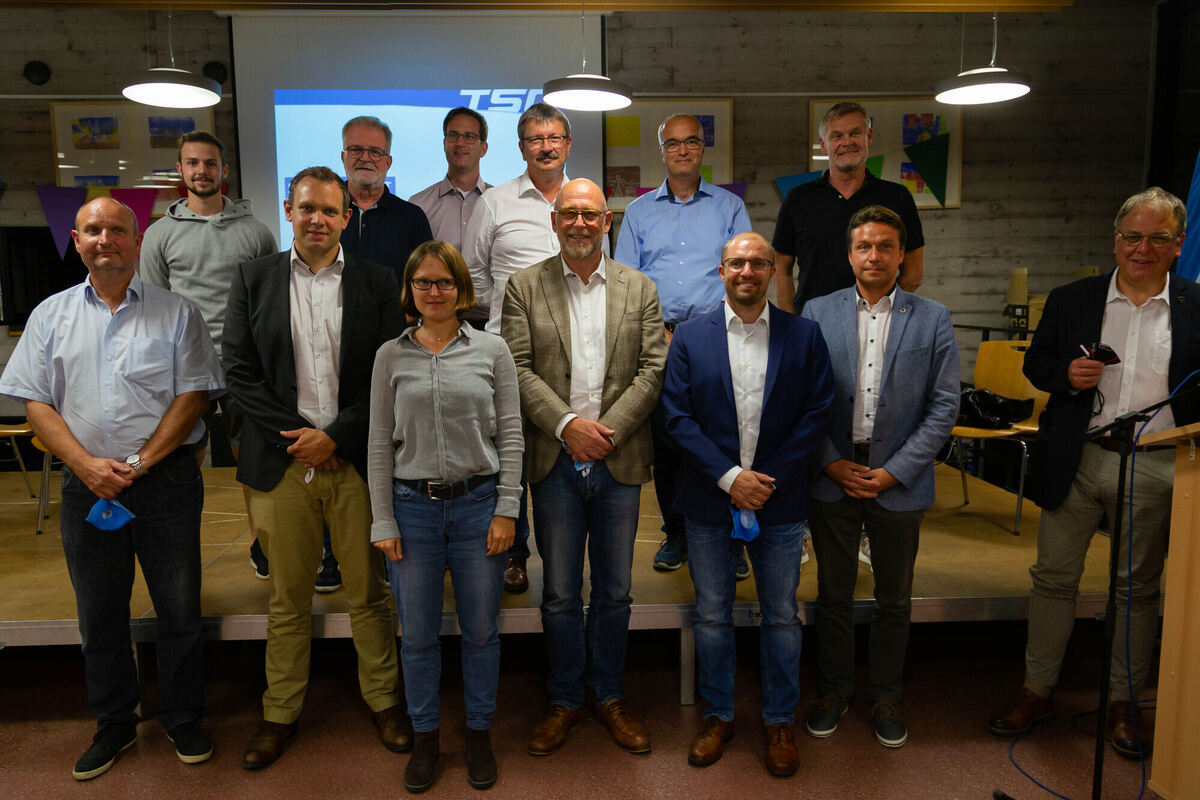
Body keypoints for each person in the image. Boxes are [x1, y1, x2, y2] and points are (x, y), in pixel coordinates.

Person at [0, 197, 225, 780]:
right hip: (87, 486)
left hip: (166, 481)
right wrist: (85, 466)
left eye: (118, 230)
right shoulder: (49, 316)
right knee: (99, 612)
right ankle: (114, 722)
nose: (106, 239)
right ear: (76, 241)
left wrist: (139, 462)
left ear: (137, 240)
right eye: (94, 230)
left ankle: (181, 716)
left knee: (179, 608)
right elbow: (35, 402)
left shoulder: (178, 312)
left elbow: (194, 396)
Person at [988, 187, 1200, 760]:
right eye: (1132, 236)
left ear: (1179, 244)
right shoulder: (1072, 298)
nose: (1142, 248)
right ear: (1115, 240)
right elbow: (1037, 364)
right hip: (1078, 458)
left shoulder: (1195, 304)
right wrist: (1066, 375)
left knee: (1137, 589)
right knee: (1053, 579)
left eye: (1157, 238)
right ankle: (1037, 690)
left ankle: (1124, 701)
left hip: (1156, 463)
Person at [223, 167, 410, 769]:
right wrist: (299, 440)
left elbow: (389, 372)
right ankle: (279, 712)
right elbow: (238, 371)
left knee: (369, 594)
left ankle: (384, 701)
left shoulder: (378, 282)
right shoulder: (253, 278)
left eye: (330, 211)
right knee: (287, 598)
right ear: (288, 210)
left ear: (346, 218)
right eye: (307, 208)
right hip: (281, 465)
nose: (318, 220)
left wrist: (334, 437)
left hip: (355, 459)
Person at [501, 178, 667, 757]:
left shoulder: (639, 287)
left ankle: (611, 696)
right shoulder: (524, 287)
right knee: (559, 592)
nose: (578, 223)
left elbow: (653, 369)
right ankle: (565, 698)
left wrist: (605, 432)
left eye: (589, 214)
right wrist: (570, 426)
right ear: (554, 221)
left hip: (619, 457)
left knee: (616, 591)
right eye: (568, 213)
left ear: (606, 222)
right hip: (555, 459)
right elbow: (517, 367)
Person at [663, 231, 834, 777]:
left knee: (781, 615)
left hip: (779, 500)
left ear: (772, 272)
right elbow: (676, 417)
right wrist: (730, 478)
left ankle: (779, 719)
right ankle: (718, 715)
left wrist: (765, 481)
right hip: (708, 500)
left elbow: (817, 412)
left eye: (758, 263)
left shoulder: (804, 335)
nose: (747, 272)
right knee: (712, 614)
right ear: (721, 272)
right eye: (737, 263)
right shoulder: (690, 337)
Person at [801, 206, 960, 749]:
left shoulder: (932, 317)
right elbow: (801, 397)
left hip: (900, 478)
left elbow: (944, 406)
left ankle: (886, 695)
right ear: (850, 255)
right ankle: (834, 691)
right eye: (864, 246)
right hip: (834, 474)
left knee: (895, 597)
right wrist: (828, 461)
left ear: (901, 255)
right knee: (834, 594)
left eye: (885, 246)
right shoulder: (817, 312)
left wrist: (895, 471)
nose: (874, 256)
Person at [368, 240, 523, 793]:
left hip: (480, 507)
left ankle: (478, 732)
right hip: (412, 512)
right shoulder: (390, 355)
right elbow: (379, 445)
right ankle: (427, 736)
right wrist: (382, 520)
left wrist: (507, 509)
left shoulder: (492, 350)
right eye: (423, 282)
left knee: (481, 632)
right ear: (410, 289)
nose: (433, 292)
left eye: (444, 282)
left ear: (461, 288)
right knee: (416, 637)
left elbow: (511, 435)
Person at [615, 113, 752, 576]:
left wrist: (701, 333)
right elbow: (627, 282)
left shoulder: (729, 207)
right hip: (659, 340)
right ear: (662, 151)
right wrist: (661, 333)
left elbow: (744, 273)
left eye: (690, 141)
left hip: (719, 338)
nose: (682, 150)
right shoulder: (639, 212)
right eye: (672, 143)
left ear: (701, 148)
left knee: (724, 439)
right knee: (669, 442)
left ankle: (732, 538)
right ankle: (677, 533)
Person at [140, 130, 277, 580]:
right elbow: (154, 308)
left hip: (243, 365)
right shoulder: (159, 235)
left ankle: (262, 544)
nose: (202, 171)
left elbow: (269, 302)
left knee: (252, 458)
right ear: (180, 170)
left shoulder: (255, 232)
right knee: (181, 459)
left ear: (224, 170)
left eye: (211, 163)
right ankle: (177, 549)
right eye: (193, 163)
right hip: (185, 369)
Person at [463, 101, 578, 593]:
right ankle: (515, 554)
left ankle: (564, 554)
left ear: (567, 145)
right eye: (535, 139)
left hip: (573, 355)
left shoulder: (582, 197)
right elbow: (474, 275)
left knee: (557, 453)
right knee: (509, 452)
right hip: (504, 353)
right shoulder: (495, 202)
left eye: (554, 138)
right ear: (521, 147)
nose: (545, 147)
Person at [320, 115, 435, 590]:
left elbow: (425, 282)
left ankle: (389, 552)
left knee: (388, 455)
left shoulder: (411, 218)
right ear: (343, 156)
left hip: (397, 355)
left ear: (388, 161)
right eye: (356, 150)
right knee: (335, 452)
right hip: (330, 354)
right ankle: (332, 555)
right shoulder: (326, 214)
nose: (365, 158)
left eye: (375, 152)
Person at [773, 102, 925, 315]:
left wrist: (883, 313)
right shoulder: (798, 199)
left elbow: (914, 273)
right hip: (814, 325)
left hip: (879, 325)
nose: (847, 142)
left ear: (868, 137)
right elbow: (781, 270)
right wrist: (793, 324)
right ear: (824, 145)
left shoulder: (897, 197)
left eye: (855, 133)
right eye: (837, 136)